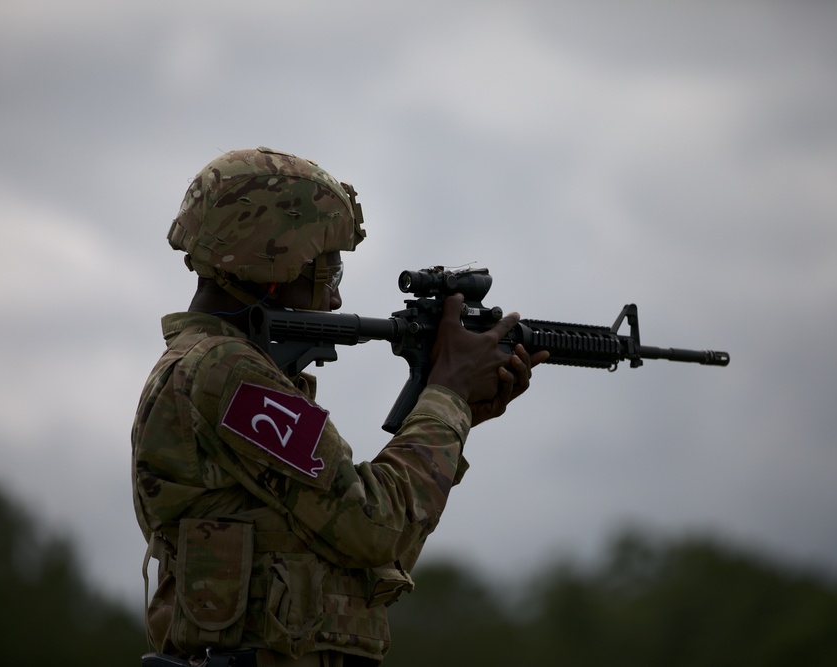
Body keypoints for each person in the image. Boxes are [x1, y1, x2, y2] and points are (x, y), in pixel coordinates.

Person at [132, 147, 547, 666]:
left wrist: (456, 417)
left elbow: (371, 559)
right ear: (274, 263)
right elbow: (376, 526)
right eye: (325, 272)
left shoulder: (214, 369)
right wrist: (447, 398)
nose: (331, 300)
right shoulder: (227, 375)